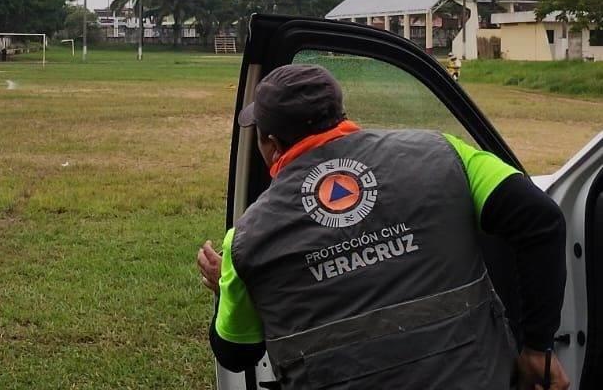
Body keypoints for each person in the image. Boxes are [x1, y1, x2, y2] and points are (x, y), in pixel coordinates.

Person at [197, 64, 569, 390]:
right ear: (341, 115)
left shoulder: (245, 240)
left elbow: (236, 353)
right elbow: (541, 219)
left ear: (271, 144)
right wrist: (537, 348)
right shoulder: (445, 153)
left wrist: (223, 286)